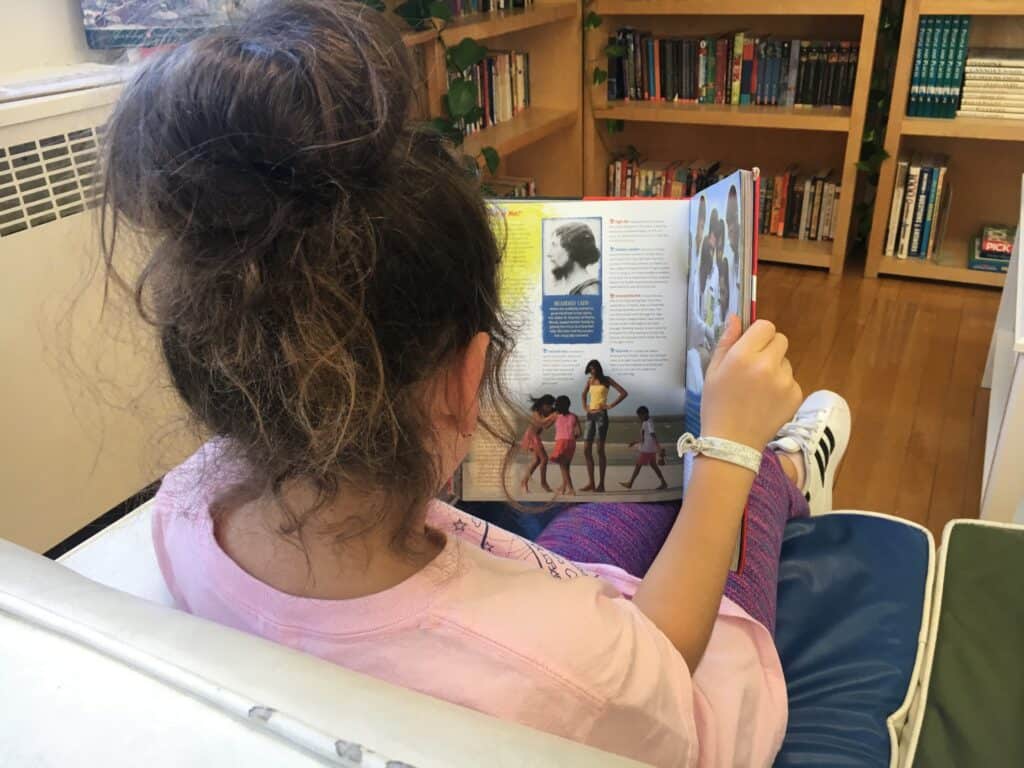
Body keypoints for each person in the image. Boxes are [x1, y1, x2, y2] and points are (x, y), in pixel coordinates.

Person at [99, 2, 852, 764]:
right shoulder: (580, 668)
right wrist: (729, 450)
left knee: (639, 476)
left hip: (552, 617)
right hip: (664, 697)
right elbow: (660, 664)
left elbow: (564, 614)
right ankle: (788, 471)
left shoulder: (183, 509)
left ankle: (745, 461)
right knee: (734, 478)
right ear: (463, 382)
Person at [579, 359, 627, 493]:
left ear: (598, 369)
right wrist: (585, 407)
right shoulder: (589, 381)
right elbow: (583, 395)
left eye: (593, 369)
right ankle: (591, 483)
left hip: (601, 416)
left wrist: (610, 405)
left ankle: (601, 484)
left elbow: (623, 393)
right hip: (590, 416)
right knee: (586, 449)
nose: (591, 371)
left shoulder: (607, 380)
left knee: (600, 450)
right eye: (589, 369)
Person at [620, 406, 668, 491]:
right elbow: (644, 438)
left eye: (640, 416)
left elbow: (653, 435)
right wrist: (635, 442)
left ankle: (630, 483)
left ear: (645, 414)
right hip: (650, 448)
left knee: (638, 466)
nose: (639, 418)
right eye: (638, 416)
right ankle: (663, 483)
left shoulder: (648, 423)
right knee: (654, 466)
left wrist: (659, 448)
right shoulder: (647, 421)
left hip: (647, 449)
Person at [546, 221, 600, 296]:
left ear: (572, 249)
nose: (548, 254)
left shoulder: (590, 291)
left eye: (554, 245)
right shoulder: (573, 288)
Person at [520, 394, 556, 494]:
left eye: (551, 406)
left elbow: (546, 427)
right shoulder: (536, 412)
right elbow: (540, 422)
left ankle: (524, 482)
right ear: (543, 404)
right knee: (544, 459)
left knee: (537, 461)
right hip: (531, 435)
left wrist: (553, 419)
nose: (550, 408)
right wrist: (552, 417)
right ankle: (543, 483)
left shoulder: (549, 413)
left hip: (536, 436)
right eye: (548, 406)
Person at [549, 395, 582, 496]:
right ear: (569, 405)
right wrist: (571, 438)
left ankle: (571, 489)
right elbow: (579, 433)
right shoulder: (574, 416)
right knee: (565, 465)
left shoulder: (555, 415)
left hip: (561, 442)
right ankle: (563, 487)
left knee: (564, 467)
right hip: (572, 443)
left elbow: (544, 424)